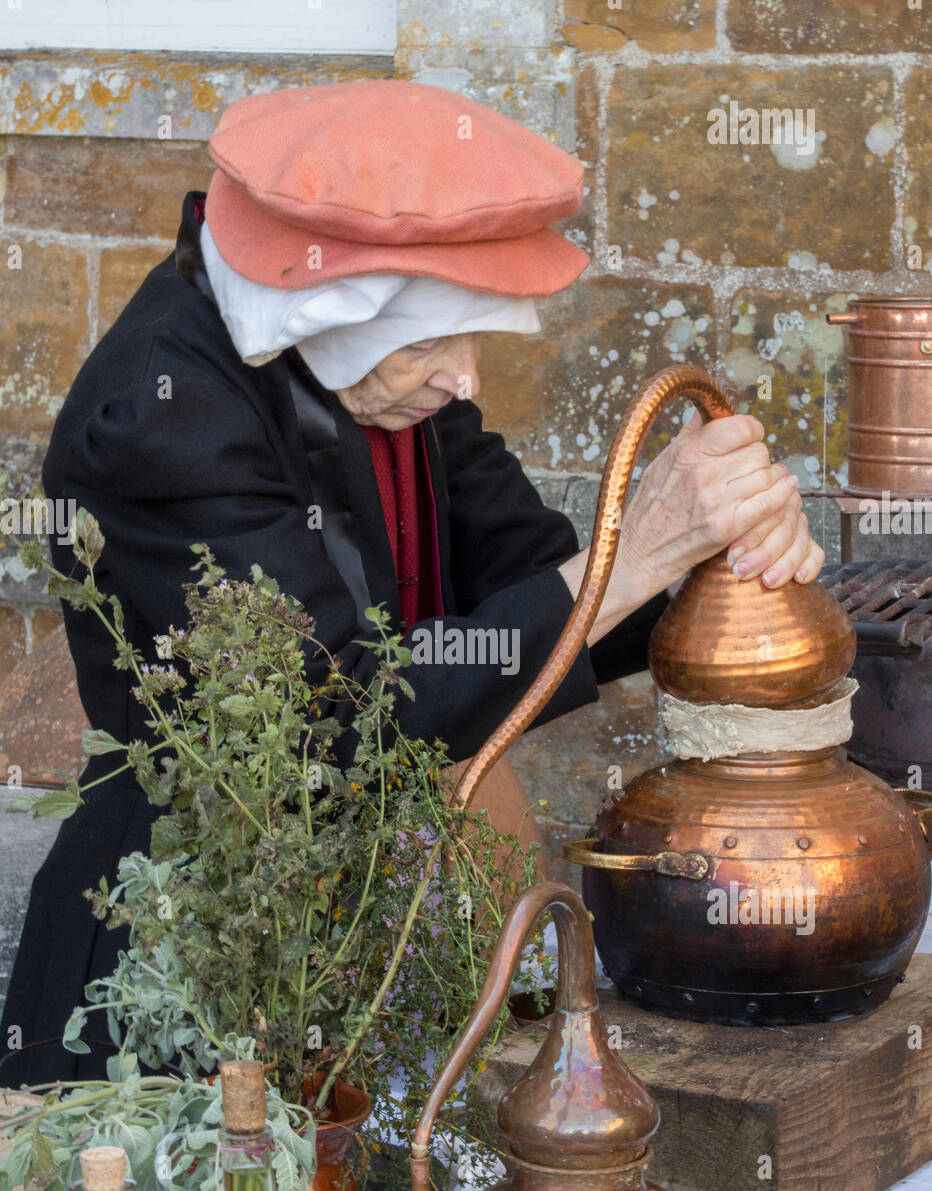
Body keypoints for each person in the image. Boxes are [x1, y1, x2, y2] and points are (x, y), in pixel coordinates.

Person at [0, 81, 821, 1086]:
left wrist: (712, 547)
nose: (463, 378)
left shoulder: (381, 376)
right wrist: (635, 552)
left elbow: (543, 588)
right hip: (203, 959)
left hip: (400, 931)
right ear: (323, 306)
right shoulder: (160, 417)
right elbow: (335, 720)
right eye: (436, 340)